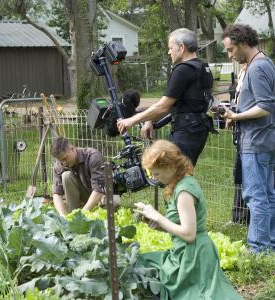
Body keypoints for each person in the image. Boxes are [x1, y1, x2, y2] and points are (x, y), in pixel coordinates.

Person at [134, 139, 242, 299]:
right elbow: (179, 226)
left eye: (156, 173)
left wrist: (157, 216)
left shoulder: (184, 191)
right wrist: (157, 224)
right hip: (183, 252)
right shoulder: (178, 184)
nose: (155, 178)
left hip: (193, 256)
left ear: (169, 166)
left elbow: (189, 234)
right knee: (143, 261)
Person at [117, 28, 215, 166]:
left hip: (185, 131)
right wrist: (150, 120)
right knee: (177, 174)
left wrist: (131, 120)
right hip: (198, 129)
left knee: (172, 174)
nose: (169, 52)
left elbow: (163, 107)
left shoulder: (182, 70)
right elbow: (179, 103)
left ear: (182, 47)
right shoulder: (202, 67)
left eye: (171, 48)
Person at [222, 24, 275, 253]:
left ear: (243, 43)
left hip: (256, 141)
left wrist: (237, 115)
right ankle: (269, 244)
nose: (229, 54)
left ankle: (258, 248)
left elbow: (266, 106)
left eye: (231, 49)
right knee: (268, 194)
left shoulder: (257, 68)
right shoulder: (264, 62)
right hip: (265, 140)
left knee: (256, 196)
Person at [51, 137, 105, 216]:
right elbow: (56, 194)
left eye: (65, 158)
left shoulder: (93, 156)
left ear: (72, 149)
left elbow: (99, 190)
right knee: (66, 176)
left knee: (109, 208)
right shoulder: (59, 165)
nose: (64, 163)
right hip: (85, 196)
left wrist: (82, 214)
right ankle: (72, 214)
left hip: (103, 195)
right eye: (61, 160)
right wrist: (63, 216)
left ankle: (79, 214)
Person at [228, 64, 250, 225]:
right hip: (242, 133)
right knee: (239, 173)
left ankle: (245, 217)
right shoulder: (243, 72)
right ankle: (239, 216)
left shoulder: (256, 71)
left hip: (255, 136)